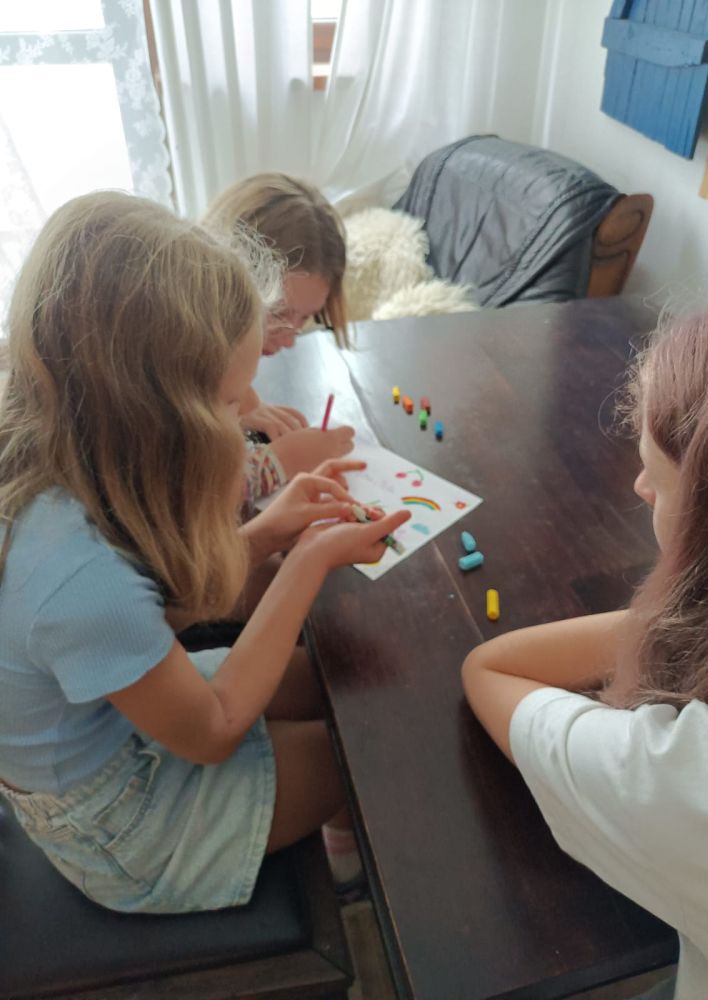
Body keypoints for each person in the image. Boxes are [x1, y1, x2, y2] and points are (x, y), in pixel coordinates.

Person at [0, 191, 409, 914]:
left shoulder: (67, 461)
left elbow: (153, 612)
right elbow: (215, 729)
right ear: (154, 416)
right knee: (368, 746)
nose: (244, 416)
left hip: (121, 720)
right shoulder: (75, 572)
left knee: (340, 682)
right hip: (119, 824)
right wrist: (307, 560)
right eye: (228, 403)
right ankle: (346, 876)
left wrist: (269, 534)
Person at [462, 299, 708, 1000]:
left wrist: (690, 613)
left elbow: (491, 668)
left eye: (656, 474)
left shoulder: (701, 779)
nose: (640, 487)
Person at [204, 174, 354, 494]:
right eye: (278, 313)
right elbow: (189, 500)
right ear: (226, 281)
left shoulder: (222, 359)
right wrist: (282, 461)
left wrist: (242, 410)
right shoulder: (178, 356)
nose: (289, 339)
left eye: (305, 318)